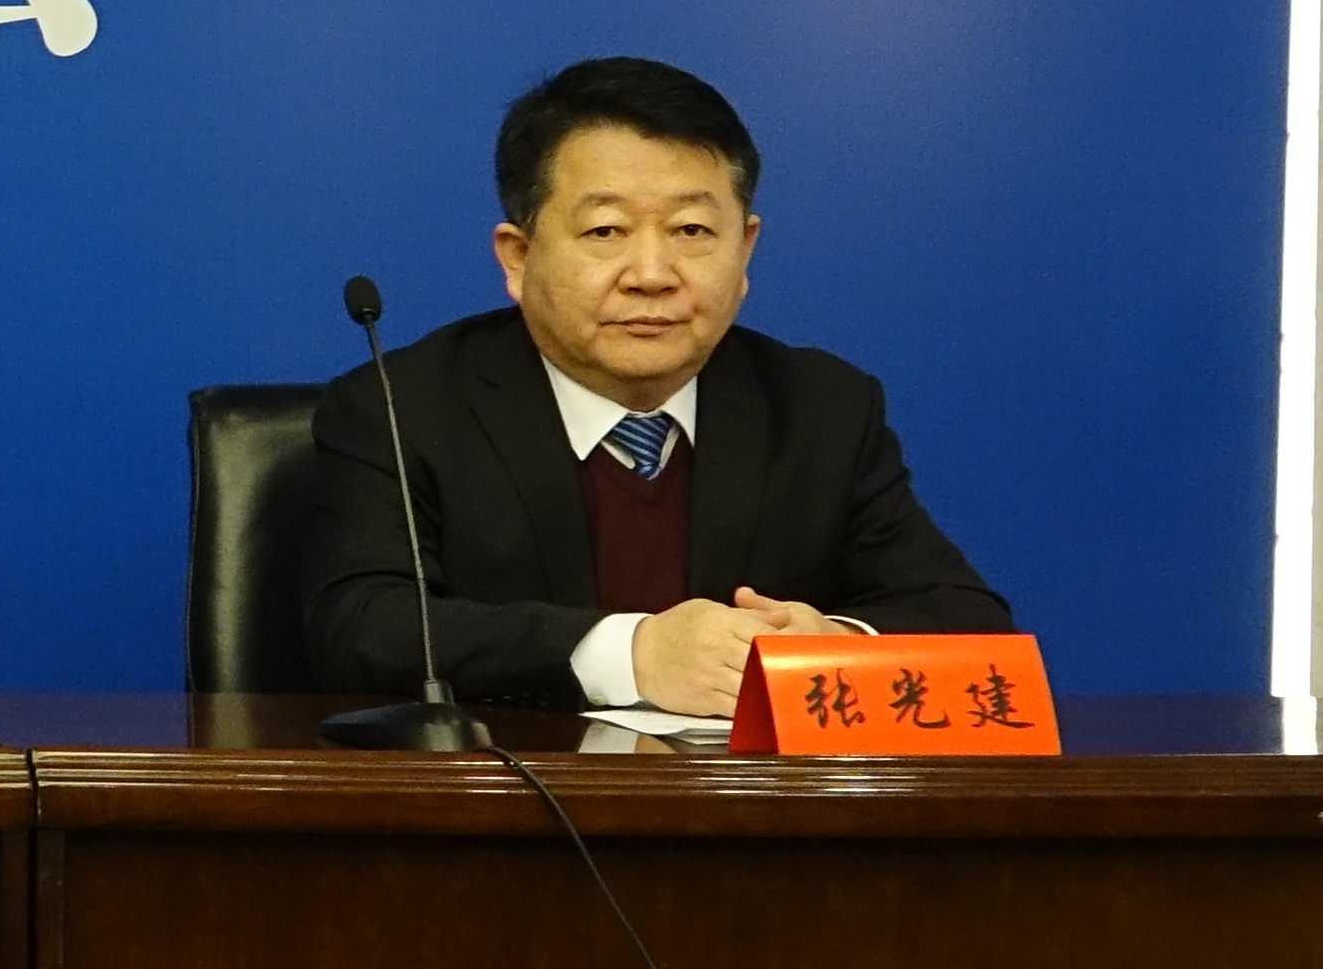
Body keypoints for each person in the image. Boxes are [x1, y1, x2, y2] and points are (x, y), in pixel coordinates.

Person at [300, 54, 1012, 719]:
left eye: (692, 230)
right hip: (509, 798)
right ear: (517, 257)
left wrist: (833, 644)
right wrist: (631, 654)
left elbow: (970, 622)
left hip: (750, 805)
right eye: (605, 231)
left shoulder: (820, 407)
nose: (651, 274)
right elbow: (360, 627)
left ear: (745, 249)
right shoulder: (401, 408)